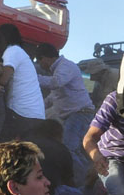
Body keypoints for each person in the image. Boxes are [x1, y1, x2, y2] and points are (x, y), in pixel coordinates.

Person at [35, 42, 95, 180]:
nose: (41, 64)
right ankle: (89, 177)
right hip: (77, 115)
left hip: (80, 114)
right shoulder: (60, 69)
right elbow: (53, 96)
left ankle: (84, 180)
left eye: (39, 60)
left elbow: (56, 82)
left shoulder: (65, 66)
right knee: (78, 150)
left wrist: (33, 78)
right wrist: (38, 108)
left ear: (44, 58)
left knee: (69, 149)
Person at [0, 25, 44, 140]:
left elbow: (3, 80)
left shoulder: (12, 51)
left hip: (22, 112)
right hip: (33, 113)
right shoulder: (19, 51)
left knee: (5, 147)